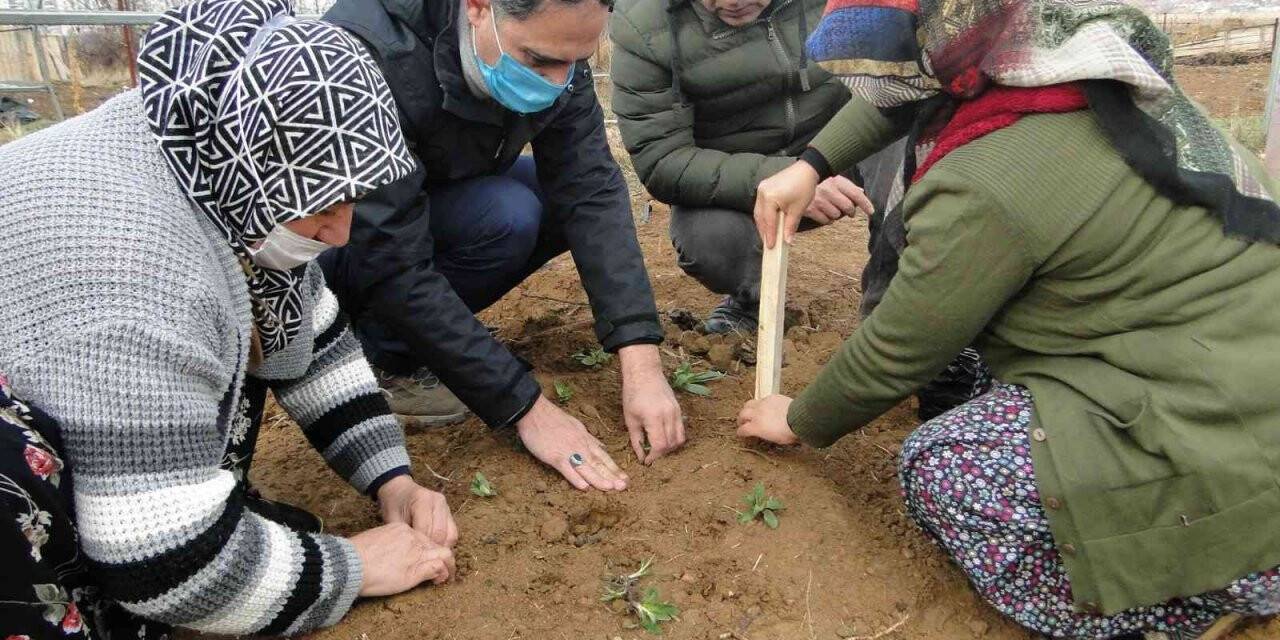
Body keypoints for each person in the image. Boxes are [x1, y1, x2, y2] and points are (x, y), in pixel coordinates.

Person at [738, 1, 1280, 638]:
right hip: (1231, 342)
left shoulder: (985, 177)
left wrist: (799, 419)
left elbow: (902, 346)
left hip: (1211, 422)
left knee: (942, 465)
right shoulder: (1047, 46)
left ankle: (1183, 597)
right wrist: (812, 164)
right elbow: (905, 83)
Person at [0, 1, 460, 636]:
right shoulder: (142, 270)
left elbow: (311, 338)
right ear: (250, 163)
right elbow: (158, 564)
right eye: (323, 203)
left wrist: (394, 482)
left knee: (244, 326)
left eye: (351, 197)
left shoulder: (213, 162)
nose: (342, 229)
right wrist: (353, 566)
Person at [319, 0, 686, 492]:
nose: (558, 82)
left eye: (574, 61)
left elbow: (591, 189)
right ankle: (387, 356)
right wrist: (525, 407)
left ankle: (420, 341)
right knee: (507, 218)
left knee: (554, 204)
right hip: (342, 239)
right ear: (477, 7)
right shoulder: (369, 56)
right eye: (537, 61)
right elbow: (390, 257)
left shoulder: (555, 47)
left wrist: (640, 361)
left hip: (440, 190)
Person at [611, 0, 883, 335]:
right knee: (712, 242)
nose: (731, 1)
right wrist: (784, 175)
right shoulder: (644, 24)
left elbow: (899, 81)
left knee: (916, 150)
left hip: (842, 145)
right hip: (740, 179)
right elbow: (662, 160)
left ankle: (900, 307)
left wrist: (819, 163)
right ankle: (751, 302)